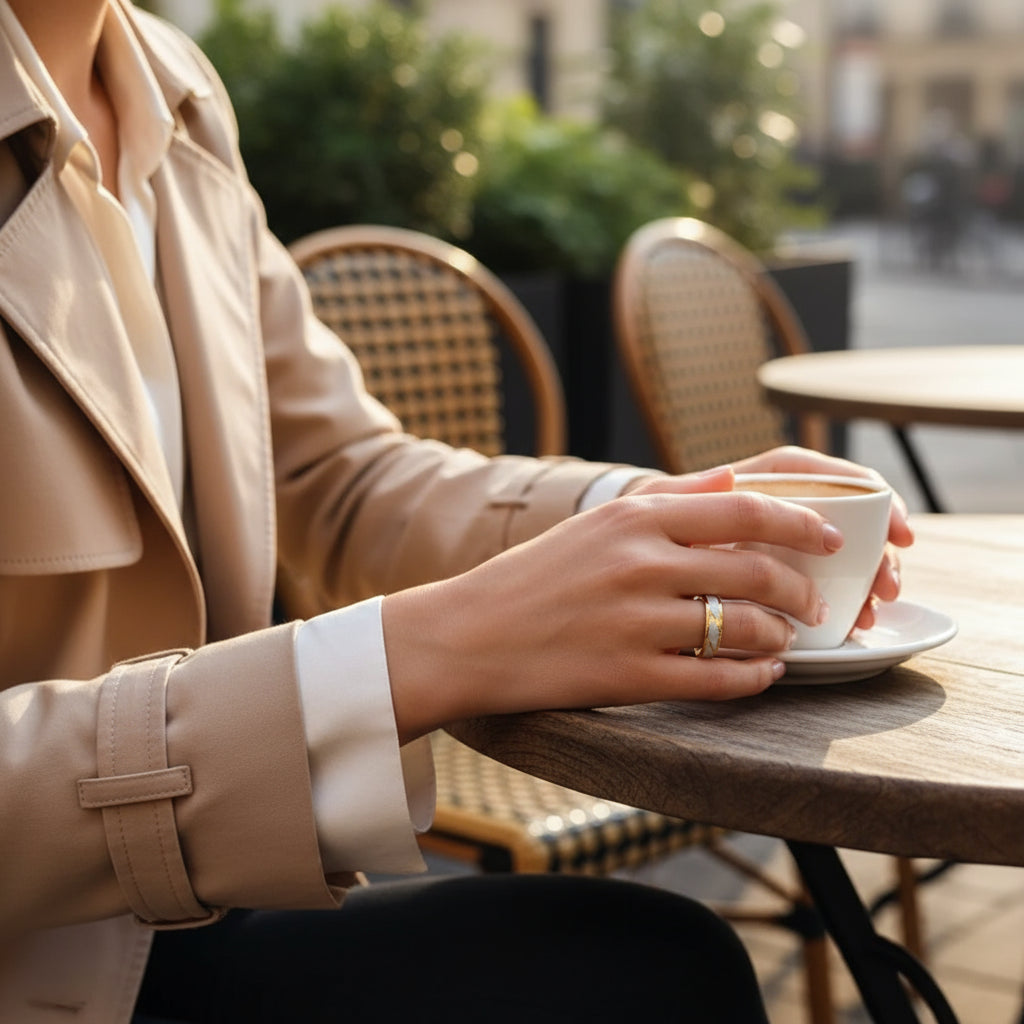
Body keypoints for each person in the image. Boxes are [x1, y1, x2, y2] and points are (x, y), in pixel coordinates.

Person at [0, 1, 912, 1021]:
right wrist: (400, 661)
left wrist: (649, 518)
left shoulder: (173, 87)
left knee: (645, 968)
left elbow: (334, 477)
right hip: (40, 949)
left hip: (180, 909)